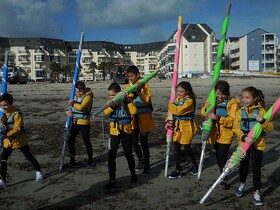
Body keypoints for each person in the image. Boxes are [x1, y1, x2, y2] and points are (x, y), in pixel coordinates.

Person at [233, 87, 273, 206]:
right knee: (243, 166)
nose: (244, 100)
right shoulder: (239, 111)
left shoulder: (261, 111)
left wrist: (262, 121)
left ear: (254, 98)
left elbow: (270, 128)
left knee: (256, 168)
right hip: (244, 144)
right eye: (243, 97)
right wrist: (244, 137)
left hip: (258, 145)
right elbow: (235, 128)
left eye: (247, 97)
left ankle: (256, 191)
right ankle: (242, 183)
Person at [201, 80, 240, 189]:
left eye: (223, 94)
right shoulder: (211, 100)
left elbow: (232, 120)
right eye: (218, 94)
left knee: (221, 155)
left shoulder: (233, 103)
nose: (220, 96)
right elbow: (203, 113)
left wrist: (218, 118)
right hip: (214, 133)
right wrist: (206, 108)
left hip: (226, 134)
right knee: (219, 155)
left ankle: (224, 178)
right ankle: (223, 171)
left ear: (227, 94)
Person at [0, 93, 44, 189]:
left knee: (29, 157)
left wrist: (5, 135)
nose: (4, 107)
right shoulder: (2, 113)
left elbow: (17, 129)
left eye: (6, 105)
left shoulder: (17, 114)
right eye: (2, 105)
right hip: (8, 142)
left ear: (11, 103)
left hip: (19, 141)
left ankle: (39, 172)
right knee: (3, 159)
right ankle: (2, 180)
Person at [103, 83, 137, 188]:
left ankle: (133, 174)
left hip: (126, 130)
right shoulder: (111, 102)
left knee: (128, 153)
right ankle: (112, 179)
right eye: (109, 95)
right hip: (114, 131)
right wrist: (112, 105)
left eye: (113, 95)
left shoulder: (127, 101)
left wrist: (128, 102)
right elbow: (105, 111)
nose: (111, 97)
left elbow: (134, 111)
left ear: (118, 93)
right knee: (111, 154)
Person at [125, 65, 156, 175]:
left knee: (144, 143)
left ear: (138, 75)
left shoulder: (145, 85)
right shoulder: (128, 86)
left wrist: (139, 92)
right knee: (134, 142)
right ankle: (141, 160)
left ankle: (147, 165)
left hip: (144, 117)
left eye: (132, 76)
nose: (131, 78)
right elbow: (126, 101)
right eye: (129, 76)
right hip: (133, 117)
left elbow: (147, 101)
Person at [166, 81, 198, 179]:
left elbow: (178, 111)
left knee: (187, 147)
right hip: (177, 126)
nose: (179, 93)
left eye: (181, 92)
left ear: (187, 92)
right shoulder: (177, 99)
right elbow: (171, 114)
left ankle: (194, 164)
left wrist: (170, 105)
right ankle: (177, 169)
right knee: (176, 148)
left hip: (186, 126)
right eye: (178, 91)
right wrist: (168, 121)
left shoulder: (189, 101)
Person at [65, 81, 94, 167]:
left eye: (80, 92)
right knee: (70, 141)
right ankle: (72, 161)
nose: (78, 93)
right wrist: (67, 111)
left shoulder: (88, 97)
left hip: (84, 122)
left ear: (84, 90)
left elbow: (81, 107)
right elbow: (70, 107)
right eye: (77, 91)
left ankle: (90, 160)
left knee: (86, 141)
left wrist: (72, 103)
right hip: (75, 122)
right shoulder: (75, 96)